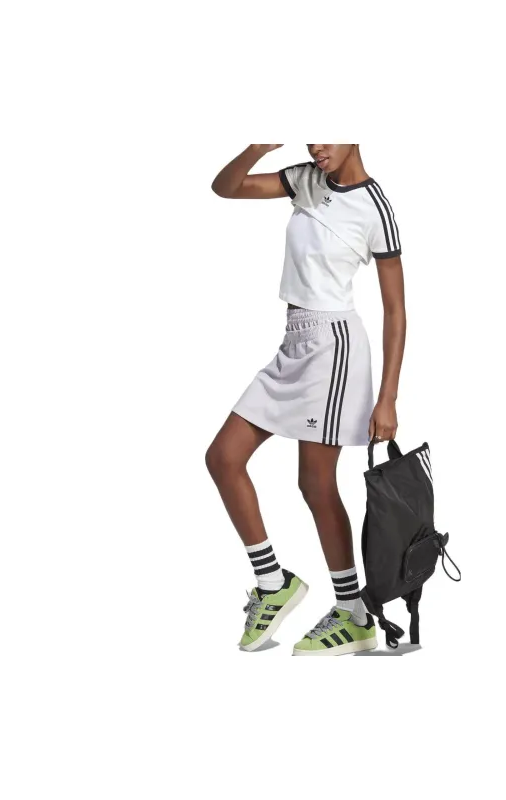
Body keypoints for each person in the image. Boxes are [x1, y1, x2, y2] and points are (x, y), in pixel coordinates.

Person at [206, 144, 406, 656]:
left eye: (328, 135)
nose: (317, 146)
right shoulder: (304, 179)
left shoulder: (375, 206)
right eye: (310, 134)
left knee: (315, 484)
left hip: (334, 349)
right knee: (223, 458)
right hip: (293, 341)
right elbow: (226, 188)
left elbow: (395, 310)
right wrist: (257, 146)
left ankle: (354, 614)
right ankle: (273, 583)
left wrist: (387, 397)